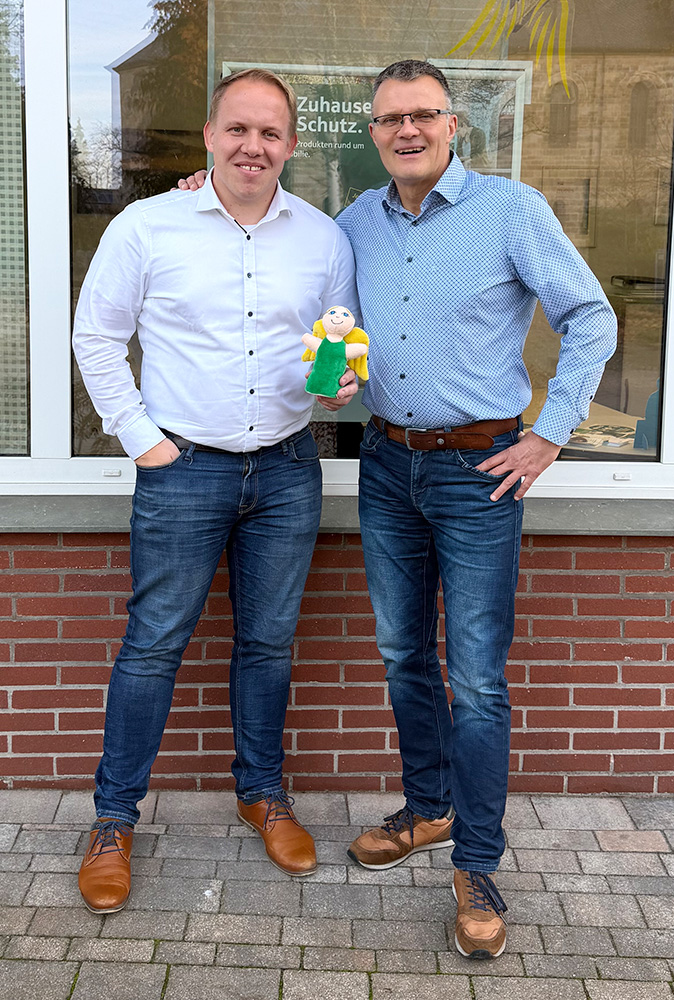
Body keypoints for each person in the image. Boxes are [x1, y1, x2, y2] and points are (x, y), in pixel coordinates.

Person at [179, 59, 617, 962]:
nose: (406, 130)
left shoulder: (510, 209)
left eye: (423, 114)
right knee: (403, 654)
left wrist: (551, 434)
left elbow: (591, 317)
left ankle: (478, 866)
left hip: (480, 471)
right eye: (389, 118)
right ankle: (428, 808)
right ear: (372, 132)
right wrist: (202, 192)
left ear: (454, 124)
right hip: (386, 463)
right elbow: (281, 245)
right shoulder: (352, 224)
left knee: (477, 679)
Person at [72, 68, 358, 914]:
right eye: (238, 129)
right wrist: (144, 441)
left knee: (268, 644)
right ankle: (113, 819)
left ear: (292, 145)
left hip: (287, 468)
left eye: (270, 133)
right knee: (153, 644)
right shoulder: (147, 225)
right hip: (182, 468)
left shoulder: (322, 239)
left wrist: (338, 384)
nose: (252, 146)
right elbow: (97, 336)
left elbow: (336, 343)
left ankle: (261, 793)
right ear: (209, 135)